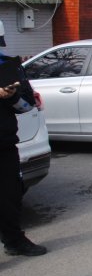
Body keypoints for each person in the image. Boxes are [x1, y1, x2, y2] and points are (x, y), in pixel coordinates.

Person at [0, 20, 47, 257]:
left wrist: (10, 97)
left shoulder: (10, 66)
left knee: (11, 196)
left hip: (5, 145)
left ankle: (14, 241)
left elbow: (27, 105)